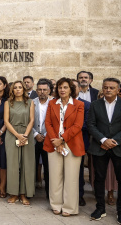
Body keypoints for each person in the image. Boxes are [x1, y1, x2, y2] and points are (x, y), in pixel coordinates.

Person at [44, 77, 85, 217]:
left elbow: (78, 126)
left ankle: (69, 207)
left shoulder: (79, 104)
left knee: (71, 177)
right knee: (55, 176)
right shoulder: (52, 103)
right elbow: (47, 123)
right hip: (53, 142)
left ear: (71, 89)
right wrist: (56, 140)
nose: (62, 89)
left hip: (71, 143)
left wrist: (62, 139)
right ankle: (56, 204)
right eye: (60, 87)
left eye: (65, 87)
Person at [87, 78, 121, 223]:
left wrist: (114, 141)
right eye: (105, 87)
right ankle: (100, 208)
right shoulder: (95, 104)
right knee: (99, 179)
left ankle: (120, 211)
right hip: (99, 147)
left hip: (118, 147)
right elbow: (91, 124)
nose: (108, 90)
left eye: (111, 88)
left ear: (118, 90)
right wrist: (103, 140)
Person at [4, 80, 35, 205]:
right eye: (15, 87)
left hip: (27, 134)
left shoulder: (30, 102)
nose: (18, 89)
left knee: (26, 164)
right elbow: (6, 121)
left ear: (24, 89)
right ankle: (13, 193)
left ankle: (24, 194)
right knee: (13, 165)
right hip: (12, 134)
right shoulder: (8, 103)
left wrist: (25, 136)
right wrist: (17, 135)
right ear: (12, 90)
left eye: (20, 87)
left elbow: (32, 120)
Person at [32, 79, 53, 201]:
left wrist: (45, 134)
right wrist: (35, 134)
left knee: (49, 168)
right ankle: (30, 192)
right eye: (39, 89)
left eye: (45, 90)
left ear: (49, 90)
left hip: (48, 139)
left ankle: (49, 194)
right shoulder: (31, 103)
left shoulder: (54, 103)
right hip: (34, 139)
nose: (42, 92)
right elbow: (28, 121)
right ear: (36, 90)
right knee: (32, 167)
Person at [72, 79, 91, 206]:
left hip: (79, 142)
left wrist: (71, 129)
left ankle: (79, 196)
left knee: (78, 171)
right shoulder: (60, 103)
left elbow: (87, 124)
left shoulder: (86, 104)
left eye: (74, 87)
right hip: (63, 142)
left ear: (79, 88)